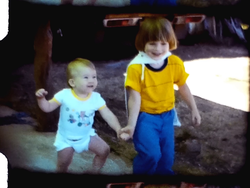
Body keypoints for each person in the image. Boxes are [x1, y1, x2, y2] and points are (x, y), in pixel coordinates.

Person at [120, 17, 201, 175]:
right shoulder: (136, 68)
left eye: (163, 43)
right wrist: (131, 125)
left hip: (167, 116)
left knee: (167, 157)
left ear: (170, 42)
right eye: (152, 43)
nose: (158, 48)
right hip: (145, 119)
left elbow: (182, 86)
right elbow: (134, 99)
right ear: (142, 42)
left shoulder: (174, 62)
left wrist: (194, 109)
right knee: (151, 155)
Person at [35, 58, 128, 173]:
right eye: (86, 77)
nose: (91, 80)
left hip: (86, 135)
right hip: (66, 139)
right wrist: (41, 99)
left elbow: (108, 114)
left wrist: (118, 128)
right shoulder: (64, 95)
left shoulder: (96, 98)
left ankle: (94, 171)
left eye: (94, 77)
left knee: (104, 150)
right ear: (72, 82)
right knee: (63, 163)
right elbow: (47, 107)